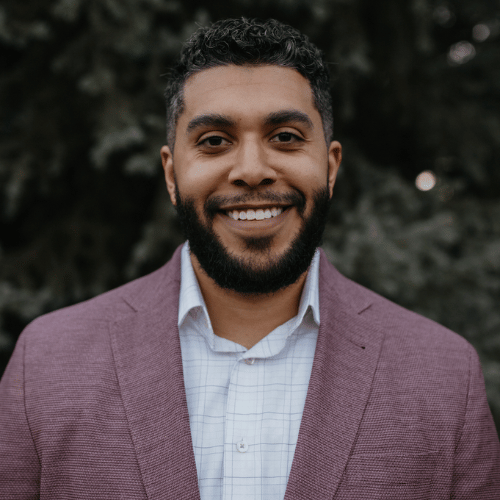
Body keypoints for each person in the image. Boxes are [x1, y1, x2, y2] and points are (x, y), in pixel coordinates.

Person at [0, 17, 499, 500]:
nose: (252, 170)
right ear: (172, 176)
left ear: (330, 168)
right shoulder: (46, 364)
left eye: (285, 137)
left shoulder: (444, 375)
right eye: (215, 141)